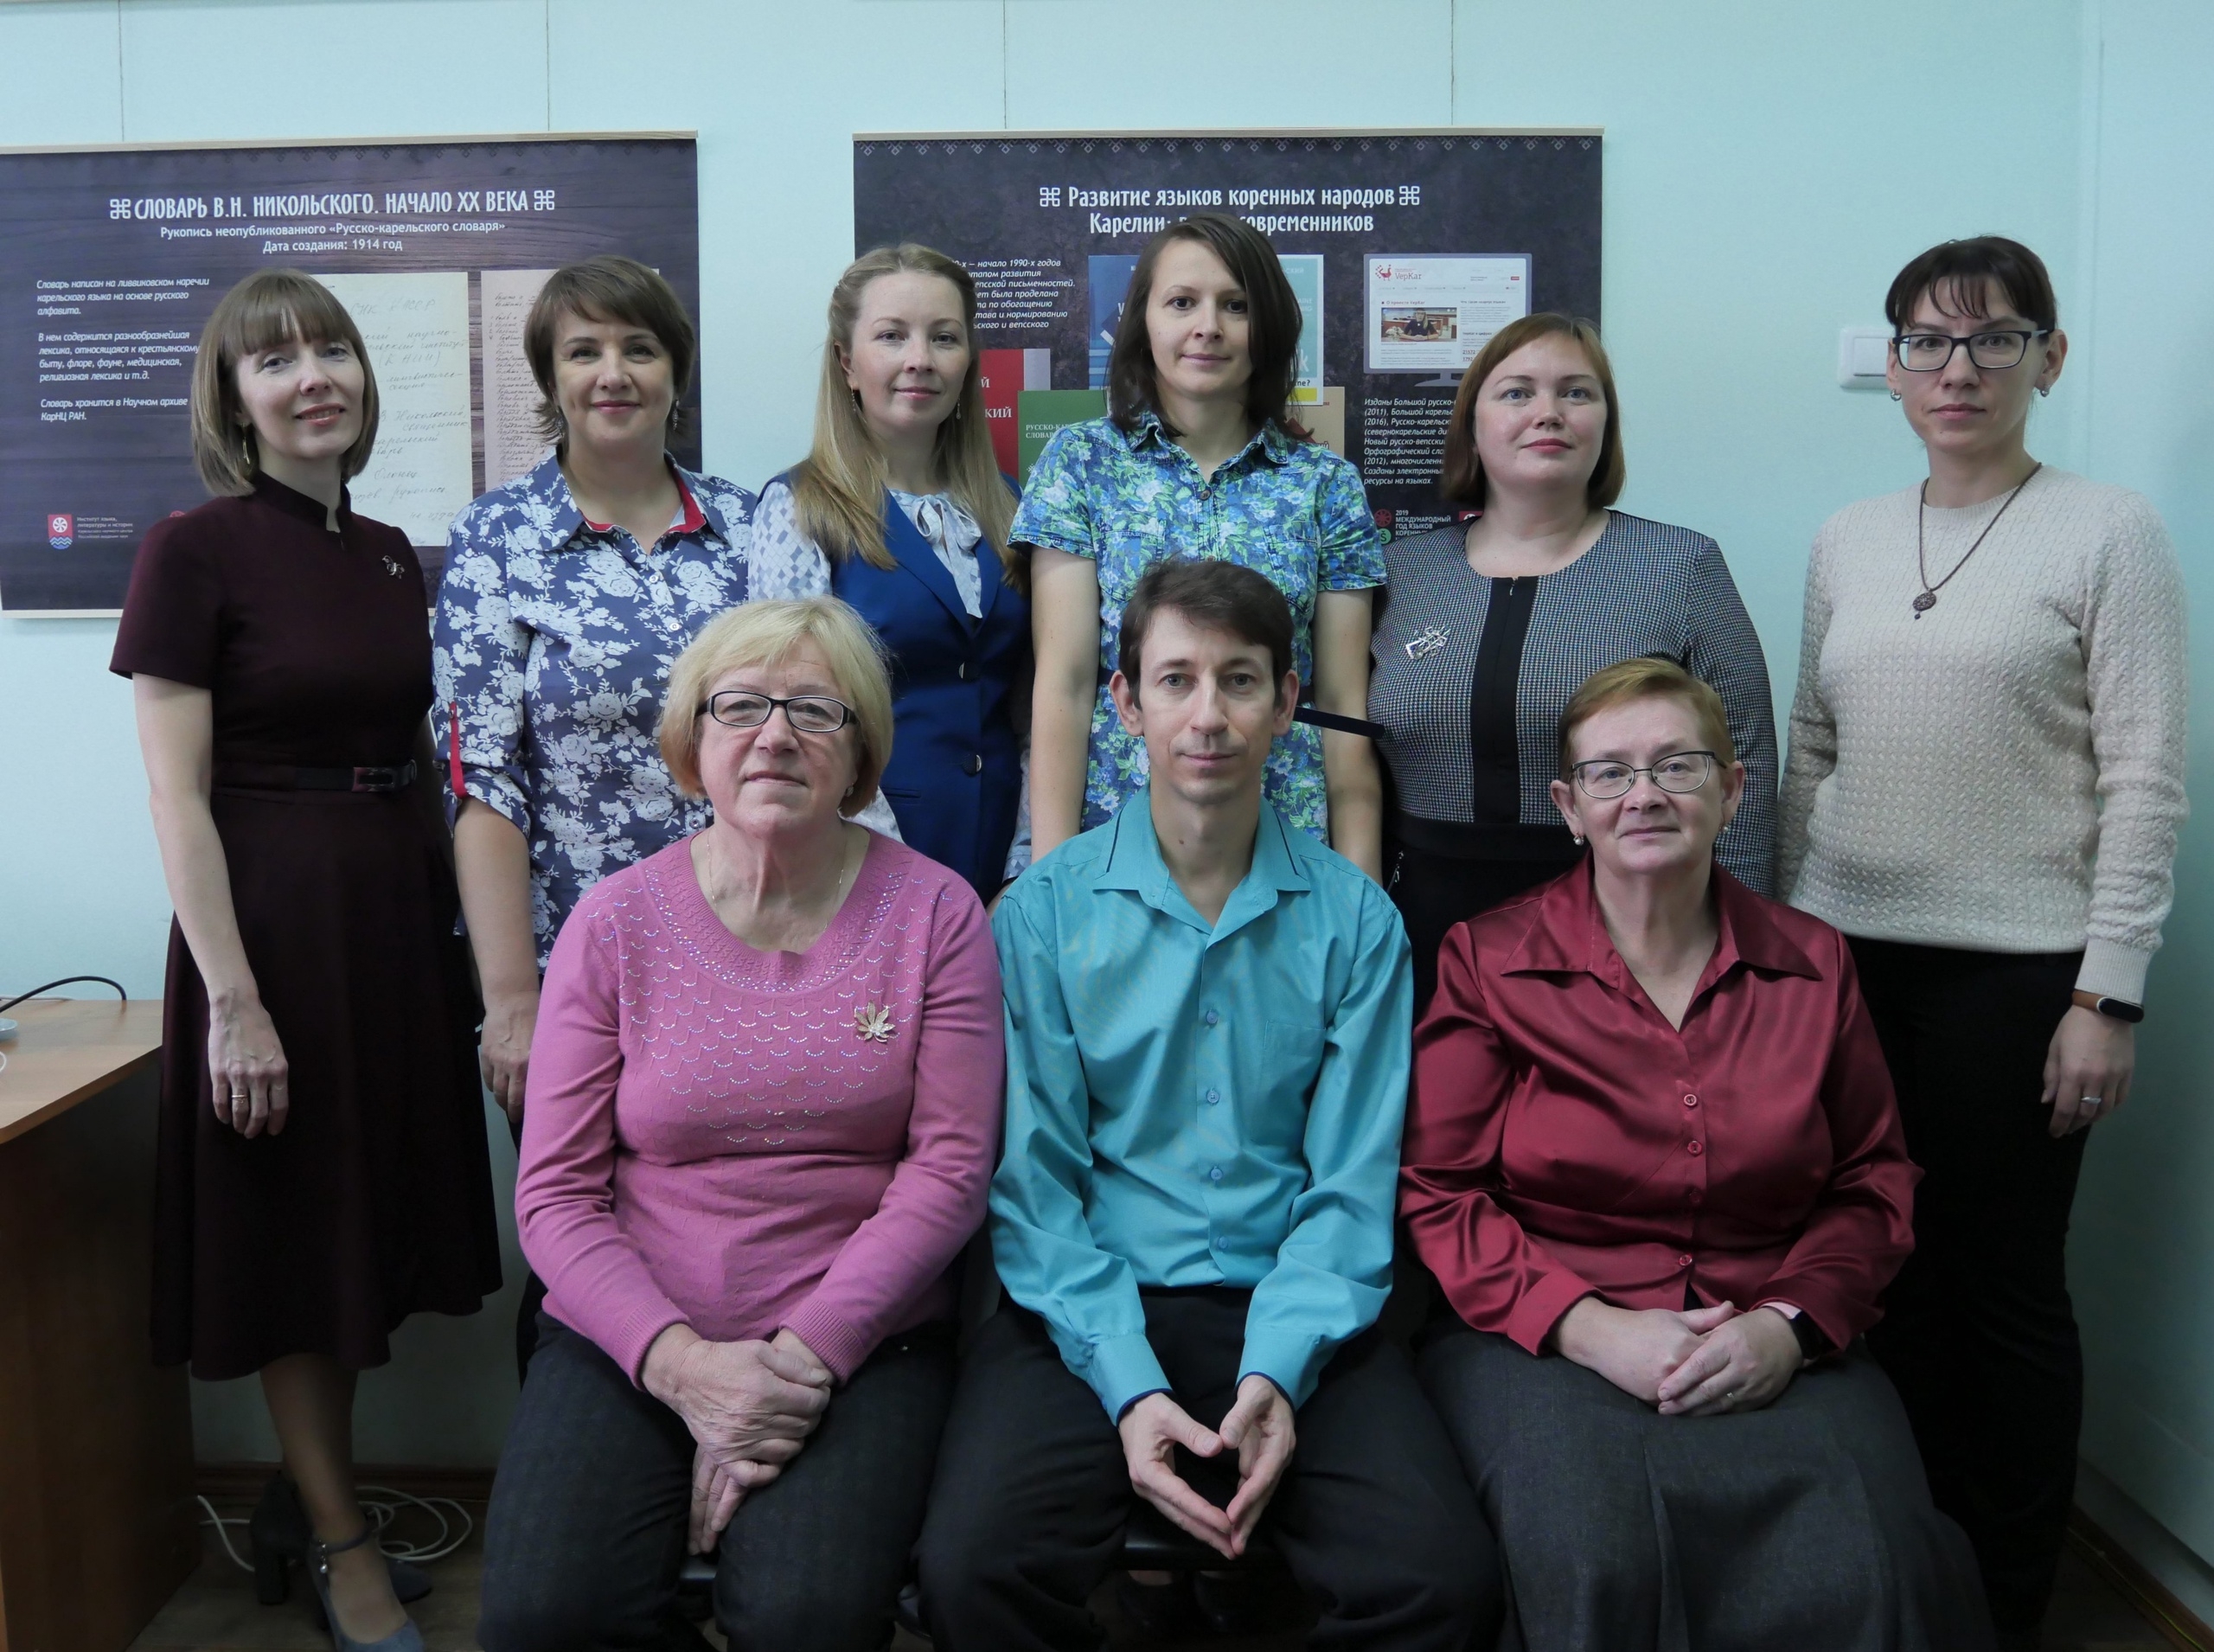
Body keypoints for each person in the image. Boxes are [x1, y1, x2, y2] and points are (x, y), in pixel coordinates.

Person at [918, 560, 1498, 1651]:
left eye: (1239, 680)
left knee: (1442, 1582)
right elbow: (1036, 1189)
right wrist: (1129, 1385)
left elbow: (1352, 1187)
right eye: (1175, 679)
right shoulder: (1041, 914)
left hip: (1299, 1301)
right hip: (1092, 1302)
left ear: (1286, 702)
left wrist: (1278, 1364)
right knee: (972, 1571)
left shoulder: (1357, 921)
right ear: (1126, 703)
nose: (1208, 715)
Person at [1402, 657, 1992, 1652]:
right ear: (1569, 807)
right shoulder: (1488, 958)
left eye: (1677, 765)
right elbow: (1438, 1189)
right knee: (1591, 1553)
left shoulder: (1815, 962)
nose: (1643, 794)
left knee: (1874, 1556)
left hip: (1770, 1322)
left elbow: (1871, 1182)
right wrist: (1591, 1328)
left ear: (1732, 790)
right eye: (1609, 772)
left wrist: (1786, 1327)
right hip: (1539, 1333)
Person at [1778, 235, 2188, 1649]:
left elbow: (2146, 776)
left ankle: (2006, 1607)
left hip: (2022, 978)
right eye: (1930, 342)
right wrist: (1788, 954)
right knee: (1871, 1276)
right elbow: (1810, 747)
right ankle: (1900, 1573)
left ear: (2047, 359)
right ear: (1892, 366)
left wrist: (2108, 995)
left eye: (1995, 338)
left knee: (1998, 1289)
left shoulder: (2109, 530)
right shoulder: (1846, 536)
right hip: (1846, 962)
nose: (1960, 369)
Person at [476, 599, 1004, 1652]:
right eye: (741, 706)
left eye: (814, 708)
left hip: (862, 1338)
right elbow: (556, 1195)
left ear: (859, 751)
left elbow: (949, 1169)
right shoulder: (613, 922)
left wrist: (801, 1358)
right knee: (544, 1617)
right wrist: (687, 1370)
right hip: (632, 1330)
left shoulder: (938, 913)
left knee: (807, 1617)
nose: (775, 735)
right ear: (692, 742)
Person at [113, 269, 501, 1652]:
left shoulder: (391, 553)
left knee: (358, 1227)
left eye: (330, 349)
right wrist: (235, 1002)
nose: (312, 376)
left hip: (391, 922)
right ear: (233, 399)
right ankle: (341, 1541)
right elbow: (176, 796)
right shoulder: (193, 549)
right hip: (271, 935)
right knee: (293, 1235)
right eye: (275, 360)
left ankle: (302, 1496)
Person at [432, 255, 756, 1376]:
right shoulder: (498, 539)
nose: (612, 373)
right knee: (586, 1256)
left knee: (732, 1237)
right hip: (575, 967)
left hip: (743, 953)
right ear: (549, 378)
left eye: (638, 348)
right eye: (584, 351)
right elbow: (482, 780)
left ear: (676, 371)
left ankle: (736, 1458)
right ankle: (580, 1478)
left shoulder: (749, 529)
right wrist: (510, 1001)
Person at [1368, 312, 1776, 1011]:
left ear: (1605, 426)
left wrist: (1742, 937)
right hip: (1423, 926)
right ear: (1472, 426)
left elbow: (1748, 759)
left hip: (1633, 925)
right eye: (1517, 392)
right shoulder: (1401, 574)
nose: (1549, 412)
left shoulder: (1680, 566)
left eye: (1577, 393)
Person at [1021, 211, 1385, 877]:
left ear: (1268, 326)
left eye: (1235, 305)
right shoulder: (1080, 464)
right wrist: (1050, 884)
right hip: (1119, 851)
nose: (1208, 326)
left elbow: (1341, 707)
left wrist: (1360, 889)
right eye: (1182, 302)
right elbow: (1066, 688)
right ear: (1143, 321)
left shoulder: (1325, 485)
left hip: (1288, 851)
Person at [749, 244, 1030, 900]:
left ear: (968, 362)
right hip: (863, 863)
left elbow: (1032, 707)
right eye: (892, 336)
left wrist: (1027, 864)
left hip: (1005, 860)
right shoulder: (798, 508)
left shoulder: (1011, 508)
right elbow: (798, 712)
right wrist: (897, 878)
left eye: (944, 338)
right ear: (847, 362)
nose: (920, 359)